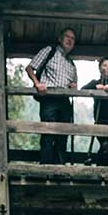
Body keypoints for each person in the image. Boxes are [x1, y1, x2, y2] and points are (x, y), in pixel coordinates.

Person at [26, 28, 78, 165]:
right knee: (48, 132)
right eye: (67, 36)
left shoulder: (72, 64)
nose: (69, 40)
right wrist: (37, 83)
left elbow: (74, 85)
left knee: (63, 134)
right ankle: (46, 168)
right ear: (60, 39)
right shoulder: (50, 51)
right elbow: (30, 68)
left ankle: (59, 168)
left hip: (65, 102)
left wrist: (73, 86)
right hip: (49, 99)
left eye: (72, 39)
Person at [81, 58, 108, 166]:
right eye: (104, 65)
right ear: (100, 68)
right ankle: (100, 168)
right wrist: (96, 88)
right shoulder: (95, 83)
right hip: (100, 120)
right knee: (104, 145)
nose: (107, 68)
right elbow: (82, 90)